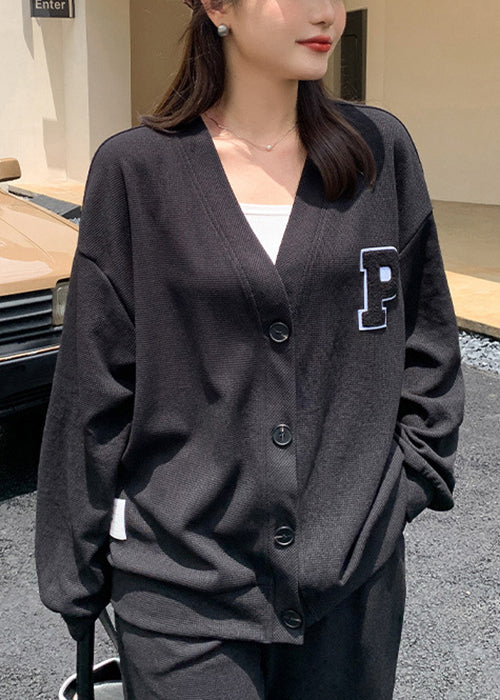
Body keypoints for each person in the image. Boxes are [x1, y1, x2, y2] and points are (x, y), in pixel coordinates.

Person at [35, 0, 465, 698]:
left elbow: (427, 335)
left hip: (352, 590)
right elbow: (93, 382)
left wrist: (404, 483)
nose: (326, 12)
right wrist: (74, 571)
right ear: (218, 6)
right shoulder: (137, 170)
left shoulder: (378, 151)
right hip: (182, 589)